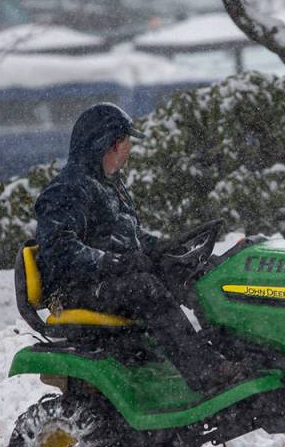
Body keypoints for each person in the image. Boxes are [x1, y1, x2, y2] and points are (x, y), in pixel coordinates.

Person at [34, 102, 250, 394]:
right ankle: (208, 373)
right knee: (145, 288)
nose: (130, 149)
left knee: (188, 274)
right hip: (74, 290)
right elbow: (59, 250)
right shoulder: (68, 189)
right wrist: (112, 263)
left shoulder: (107, 185)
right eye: (127, 141)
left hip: (104, 279)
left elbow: (127, 236)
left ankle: (235, 353)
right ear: (110, 144)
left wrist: (164, 249)